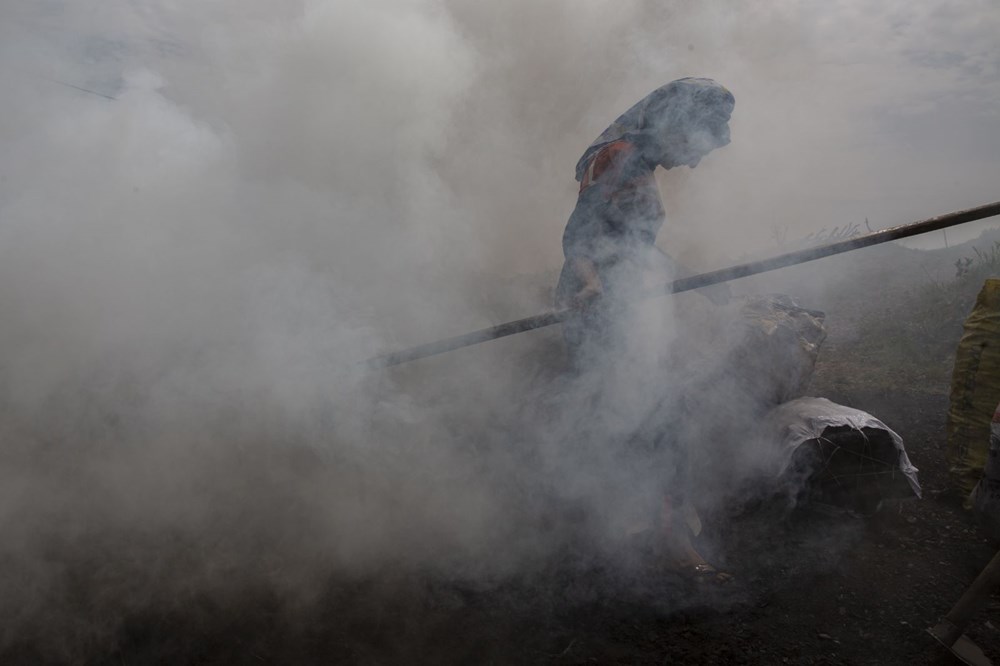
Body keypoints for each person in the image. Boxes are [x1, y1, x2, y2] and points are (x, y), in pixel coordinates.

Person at [555, 77, 735, 582]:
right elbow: (579, 236)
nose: (695, 162)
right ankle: (655, 541)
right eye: (698, 143)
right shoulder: (620, 158)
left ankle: (636, 533)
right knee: (649, 416)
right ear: (675, 123)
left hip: (628, 304)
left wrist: (697, 280)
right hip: (599, 311)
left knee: (645, 415)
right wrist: (591, 283)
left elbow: (636, 248)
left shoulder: (638, 164)